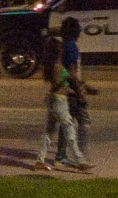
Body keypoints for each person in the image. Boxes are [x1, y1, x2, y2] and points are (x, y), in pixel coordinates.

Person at [36, 32, 88, 172]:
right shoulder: (57, 67)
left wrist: (74, 91)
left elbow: (60, 86)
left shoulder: (52, 66)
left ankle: (39, 161)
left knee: (48, 132)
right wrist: (74, 87)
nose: (62, 51)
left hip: (55, 100)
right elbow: (58, 85)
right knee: (69, 129)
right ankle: (80, 160)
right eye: (60, 50)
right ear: (56, 52)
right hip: (60, 102)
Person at [59, 16, 92, 158]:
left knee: (66, 123)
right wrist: (79, 90)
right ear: (75, 31)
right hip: (73, 91)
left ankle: (61, 155)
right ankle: (80, 155)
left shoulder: (63, 45)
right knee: (84, 122)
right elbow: (72, 71)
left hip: (65, 89)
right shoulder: (71, 47)